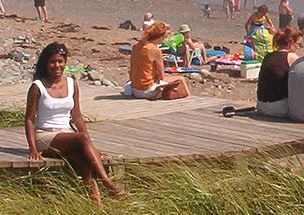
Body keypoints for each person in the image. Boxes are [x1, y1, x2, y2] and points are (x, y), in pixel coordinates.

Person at [25, 42, 124, 205]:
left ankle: (96, 205)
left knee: (84, 161)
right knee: (81, 139)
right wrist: (33, 149)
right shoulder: (38, 87)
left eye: (60, 61)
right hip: (45, 137)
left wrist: (92, 148)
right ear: (46, 63)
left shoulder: (71, 84)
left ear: (65, 62)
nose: (57, 65)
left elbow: (77, 116)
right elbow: (29, 119)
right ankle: (109, 183)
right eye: (52, 62)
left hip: (67, 137)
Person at [123, 22, 190, 100]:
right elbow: (162, 76)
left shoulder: (136, 47)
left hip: (134, 89)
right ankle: (188, 100)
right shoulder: (155, 50)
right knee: (181, 79)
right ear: (160, 37)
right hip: (147, 90)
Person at [256, 27, 301, 118]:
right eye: (298, 44)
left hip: (261, 105)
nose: (299, 47)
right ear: (291, 43)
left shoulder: (268, 56)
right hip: (280, 108)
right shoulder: (291, 57)